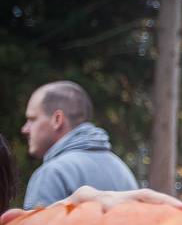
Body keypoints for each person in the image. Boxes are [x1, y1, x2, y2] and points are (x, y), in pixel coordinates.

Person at [20, 81, 138, 209]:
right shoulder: (123, 171)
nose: (25, 129)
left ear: (57, 119)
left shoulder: (52, 174)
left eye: (32, 119)